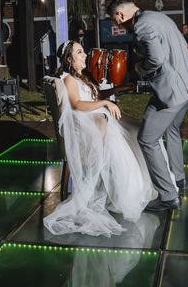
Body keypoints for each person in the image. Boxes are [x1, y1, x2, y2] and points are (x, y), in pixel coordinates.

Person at [43, 41, 158, 237]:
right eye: (80, 52)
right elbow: (78, 104)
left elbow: (92, 97)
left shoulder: (81, 78)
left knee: (135, 131)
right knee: (126, 138)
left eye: (83, 50)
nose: (85, 54)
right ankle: (128, 195)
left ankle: (138, 189)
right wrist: (104, 103)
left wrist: (115, 90)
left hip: (97, 120)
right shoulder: (69, 79)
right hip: (89, 127)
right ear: (69, 59)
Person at [108, 0, 188, 211]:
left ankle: (168, 196)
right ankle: (179, 179)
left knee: (146, 139)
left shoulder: (142, 26)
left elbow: (157, 58)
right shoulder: (158, 17)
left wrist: (139, 70)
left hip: (173, 93)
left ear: (121, 15)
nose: (117, 26)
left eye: (115, 21)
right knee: (171, 129)